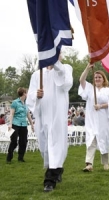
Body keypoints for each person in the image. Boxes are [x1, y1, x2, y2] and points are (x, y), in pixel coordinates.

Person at [26, 56, 73, 192]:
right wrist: (37, 95)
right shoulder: (37, 74)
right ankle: (57, 169)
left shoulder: (65, 68)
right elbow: (30, 95)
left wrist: (55, 62)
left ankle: (49, 180)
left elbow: (66, 83)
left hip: (57, 116)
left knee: (55, 145)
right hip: (42, 115)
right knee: (45, 147)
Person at [79, 63, 109, 172]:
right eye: (95, 77)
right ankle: (89, 164)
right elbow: (81, 80)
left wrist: (101, 106)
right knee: (91, 141)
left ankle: (105, 162)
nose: (97, 79)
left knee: (104, 141)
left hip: (104, 120)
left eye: (99, 77)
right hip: (92, 120)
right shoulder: (90, 89)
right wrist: (87, 68)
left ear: (103, 79)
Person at [6, 87, 34, 164]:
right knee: (14, 141)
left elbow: (28, 115)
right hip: (15, 124)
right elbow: (11, 114)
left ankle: (20, 158)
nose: (27, 94)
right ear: (24, 93)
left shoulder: (26, 104)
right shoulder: (15, 102)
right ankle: (9, 157)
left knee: (24, 141)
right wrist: (10, 124)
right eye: (26, 92)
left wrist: (32, 124)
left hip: (24, 125)